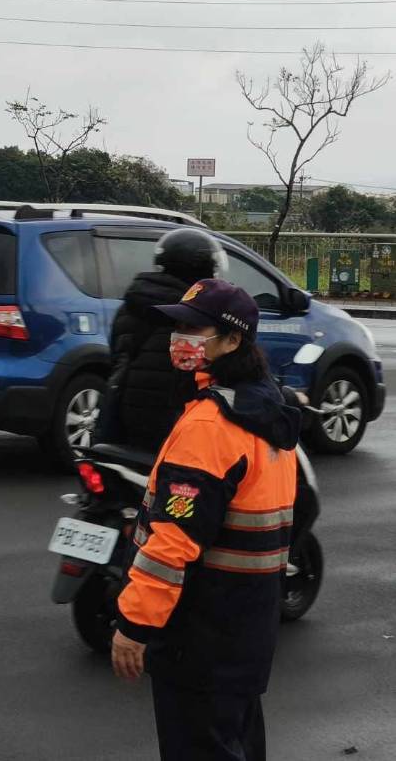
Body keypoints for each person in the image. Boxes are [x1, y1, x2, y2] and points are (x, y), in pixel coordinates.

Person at [112, 279, 301, 761]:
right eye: (178, 326)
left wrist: (134, 623)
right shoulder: (266, 408)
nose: (180, 338)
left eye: (195, 327)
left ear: (233, 340)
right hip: (248, 628)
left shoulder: (208, 426)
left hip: (199, 637)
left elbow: (172, 544)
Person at [94, 228, 227, 449]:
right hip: (173, 429)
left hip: (125, 422)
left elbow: (118, 359)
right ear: (201, 269)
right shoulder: (195, 315)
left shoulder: (130, 307)